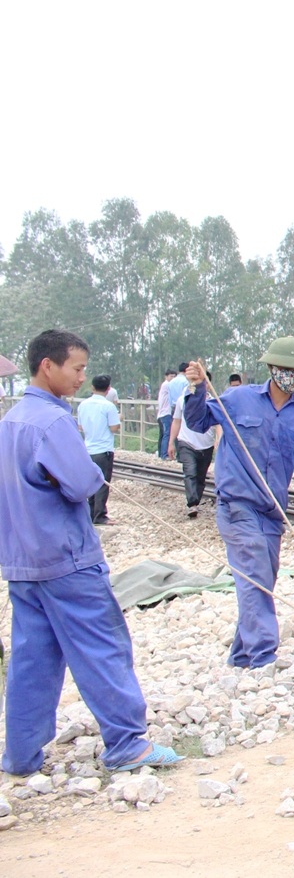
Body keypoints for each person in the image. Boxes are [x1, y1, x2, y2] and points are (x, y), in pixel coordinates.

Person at [1, 330, 182, 775]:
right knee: (102, 645)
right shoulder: (53, 421)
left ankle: (20, 756)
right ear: (49, 366)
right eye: (77, 368)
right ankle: (126, 743)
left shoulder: (10, 421)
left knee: (32, 658)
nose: (82, 377)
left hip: (23, 563)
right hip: (67, 558)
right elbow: (83, 483)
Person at [181, 338, 294, 669]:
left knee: (260, 577)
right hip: (237, 505)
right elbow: (198, 420)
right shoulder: (238, 398)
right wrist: (198, 388)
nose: (290, 375)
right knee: (256, 572)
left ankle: (240, 656)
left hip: (272, 513)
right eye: (284, 369)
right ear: (272, 369)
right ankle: (263, 655)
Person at [169, 379, 219, 519]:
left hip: (206, 444)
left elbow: (218, 423)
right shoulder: (182, 400)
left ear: (207, 385)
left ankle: (195, 500)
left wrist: (218, 439)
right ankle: (192, 504)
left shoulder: (213, 402)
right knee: (190, 472)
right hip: (186, 442)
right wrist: (171, 442)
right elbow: (176, 421)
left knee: (200, 476)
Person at [77, 374, 121, 526]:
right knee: (103, 483)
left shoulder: (83, 405)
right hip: (104, 449)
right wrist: (119, 420)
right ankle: (100, 515)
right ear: (108, 389)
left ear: (92, 387)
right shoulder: (109, 406)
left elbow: (80, 426)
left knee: (91, 482)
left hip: (88, 448)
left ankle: (90, 514)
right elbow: (113, 427)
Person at [154, 368, 178, 459]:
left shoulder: (166, 385)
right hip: (166, 413)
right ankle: (164, 455)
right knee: (167, 434)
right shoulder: (167, 385)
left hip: (162, 414)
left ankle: (161, 453)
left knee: (162, 434)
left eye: (174, 377)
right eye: (171, 376)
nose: (173, 378)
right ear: (166, 376)